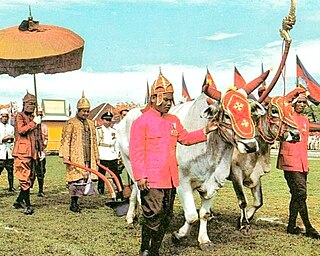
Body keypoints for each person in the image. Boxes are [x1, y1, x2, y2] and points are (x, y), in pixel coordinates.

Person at [129, 71, 217, 256]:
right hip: (150, 179)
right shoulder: (141, 122)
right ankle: (145, 249)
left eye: (171, 99)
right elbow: (136, 152)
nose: (169, 103)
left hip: (170, 179)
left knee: (167, 216)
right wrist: (140, 176)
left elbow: (185, 139)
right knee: (153, 214)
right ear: (154, 98)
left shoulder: (174, 121)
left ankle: (155, 250)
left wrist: (206, 130)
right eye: (166, 99)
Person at [277, 86, 320, 239]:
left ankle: (291, 226)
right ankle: (308, 227)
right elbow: (279, 134)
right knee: (300, 193)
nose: (302, 105)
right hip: (289, 161)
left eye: (304, 103)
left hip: (302, 162)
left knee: (297, 195)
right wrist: (287, 135)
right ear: (293, 103)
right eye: (299, 102)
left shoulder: (305, 120)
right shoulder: (286, 116)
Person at [59, 92, 99, 213]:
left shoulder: (91, 124)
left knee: (85, 179)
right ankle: (74, 202)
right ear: (78, 110)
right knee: (76, 180)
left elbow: (95, 141)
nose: (86, 113)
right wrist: (66, 156)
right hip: (76, 156)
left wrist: (96, 157)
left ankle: (80, 198)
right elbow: (65, 140)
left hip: (88, 156)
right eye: (83, 111)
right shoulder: (71, 123)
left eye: (87, 111)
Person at [12, 92, 44, 215]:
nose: (32, 107)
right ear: (24, 104)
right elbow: (21, 130)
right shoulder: (19, 116)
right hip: (22, 152)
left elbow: (38, 136)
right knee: (24, 178)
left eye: (34, 104)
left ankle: (19, 201)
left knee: (31, 178)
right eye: (30, 104)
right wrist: (34, 123)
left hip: (33, 153)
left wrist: (41, 150)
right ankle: (27, 205)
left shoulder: (35, 118)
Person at [96, 111, 124, 200]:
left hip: (112, 154)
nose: (108, 122)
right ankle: (101, 189)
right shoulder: (99, 130)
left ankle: (120, 189)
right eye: (106, 120)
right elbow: (96, 143)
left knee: (115, 173)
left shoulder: (114, 131)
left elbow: (116, 144)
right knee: (102, 173)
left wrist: (117, 154)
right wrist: (97, 155)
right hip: (103, 153)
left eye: (109, 120)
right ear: (102, 120)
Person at [32, 108, 48, 197]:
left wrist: (43, 146)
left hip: (41, 152)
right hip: (32, 152)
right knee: (31, 172)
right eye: (38, 114)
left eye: (41, 115)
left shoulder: (44, 126)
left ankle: (40, 190)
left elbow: (46, 138)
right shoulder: (32, 125)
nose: (40, 116)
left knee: (41, 171)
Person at [0, 109, 15, 192]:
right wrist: (3, 139)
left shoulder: (11, 128)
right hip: (1, 152)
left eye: (6, 116)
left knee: (10, 170)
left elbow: (15, 138)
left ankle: (11, 187)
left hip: (9, 152)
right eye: (3, 116)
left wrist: (12, 138)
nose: (5, 118)